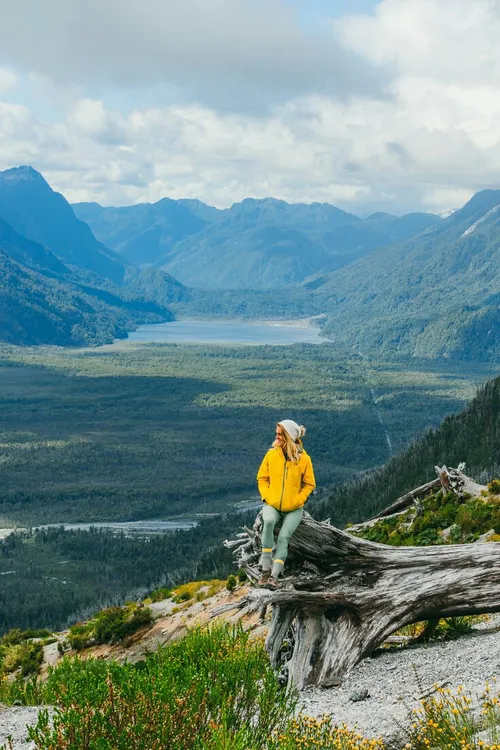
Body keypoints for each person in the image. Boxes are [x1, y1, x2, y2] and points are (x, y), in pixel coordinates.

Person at [256, 419, 316, 589]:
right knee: (267, 522)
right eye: (277, 433)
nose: (277, 436)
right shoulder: (271, 455)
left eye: (280, 434)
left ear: (289, 436)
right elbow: (262, 478)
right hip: (272, 504)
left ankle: (274, 576)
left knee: (283, 537)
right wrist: (267, 496)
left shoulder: (303, 459)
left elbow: (310, 484)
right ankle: (265, 570)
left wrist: (299, 499)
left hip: (294, 508)